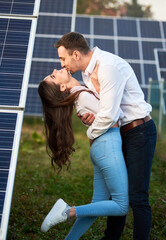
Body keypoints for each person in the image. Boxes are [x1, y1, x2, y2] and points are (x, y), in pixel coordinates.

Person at [54, 32, 157, 240]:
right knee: (117, 195)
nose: (62, 64)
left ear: (75, 54)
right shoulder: (87, 72)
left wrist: (91, 133)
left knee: (137, 197)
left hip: (138, 131)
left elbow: (109, 115)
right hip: (120, 133)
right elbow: (102, 110)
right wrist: (90, 117)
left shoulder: (107, 67)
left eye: (62, 58)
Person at [38, 68, 129, 239]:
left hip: (101, 148)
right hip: (108, 146)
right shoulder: (83, 96)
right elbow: (113, 114)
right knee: (121, 205)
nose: (55, 69)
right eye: (52, 76)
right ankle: (68, 212)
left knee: (95, 206)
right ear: (63, 87)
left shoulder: (81, 94)